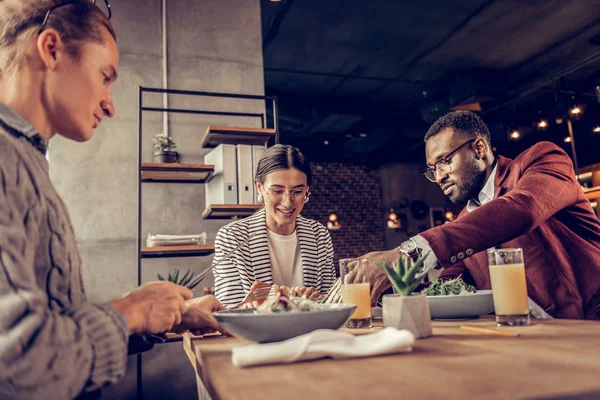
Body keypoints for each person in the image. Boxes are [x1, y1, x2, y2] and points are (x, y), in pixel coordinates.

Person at [0, 2, 224, 399]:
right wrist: (133, 310)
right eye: (105, 77)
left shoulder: (28, 161)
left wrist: (151, 315)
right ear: (50, 49)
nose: (110, 103)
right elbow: (20, 363)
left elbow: (52, 326)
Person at [355, 110, 600, 320]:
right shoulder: (464, 222)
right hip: (531, 338)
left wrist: (409, 254)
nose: (439, 177)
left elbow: (522, 209)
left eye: (444, 162)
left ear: (479, 148)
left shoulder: (542, 160)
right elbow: (446, 286)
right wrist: (382, 298)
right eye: (433, 169)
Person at [213, 144, 336, 307]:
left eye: (297, 192)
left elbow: (333, 301)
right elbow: (227, 310)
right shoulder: (232, 237)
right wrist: (260, 305)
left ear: (306, 190)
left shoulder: (319, 234)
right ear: (260, 188)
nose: (288, 202)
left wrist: (318, 300)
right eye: (277, 191)